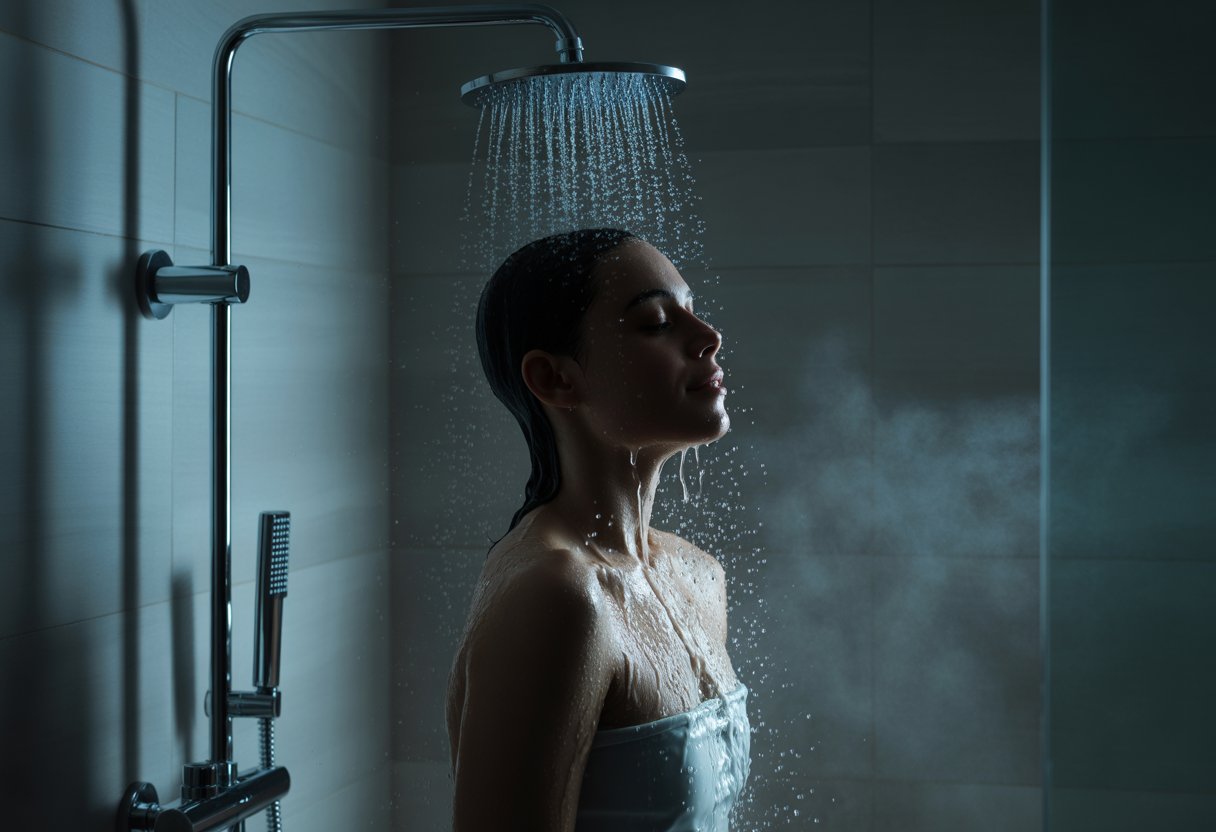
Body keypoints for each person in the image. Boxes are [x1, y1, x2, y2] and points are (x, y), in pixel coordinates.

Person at [446, 229, 750, 831]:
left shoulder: (696, 573)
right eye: (658, 322)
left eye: (691, 312)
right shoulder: (557, 595)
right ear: (557, 379)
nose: (708, 338)